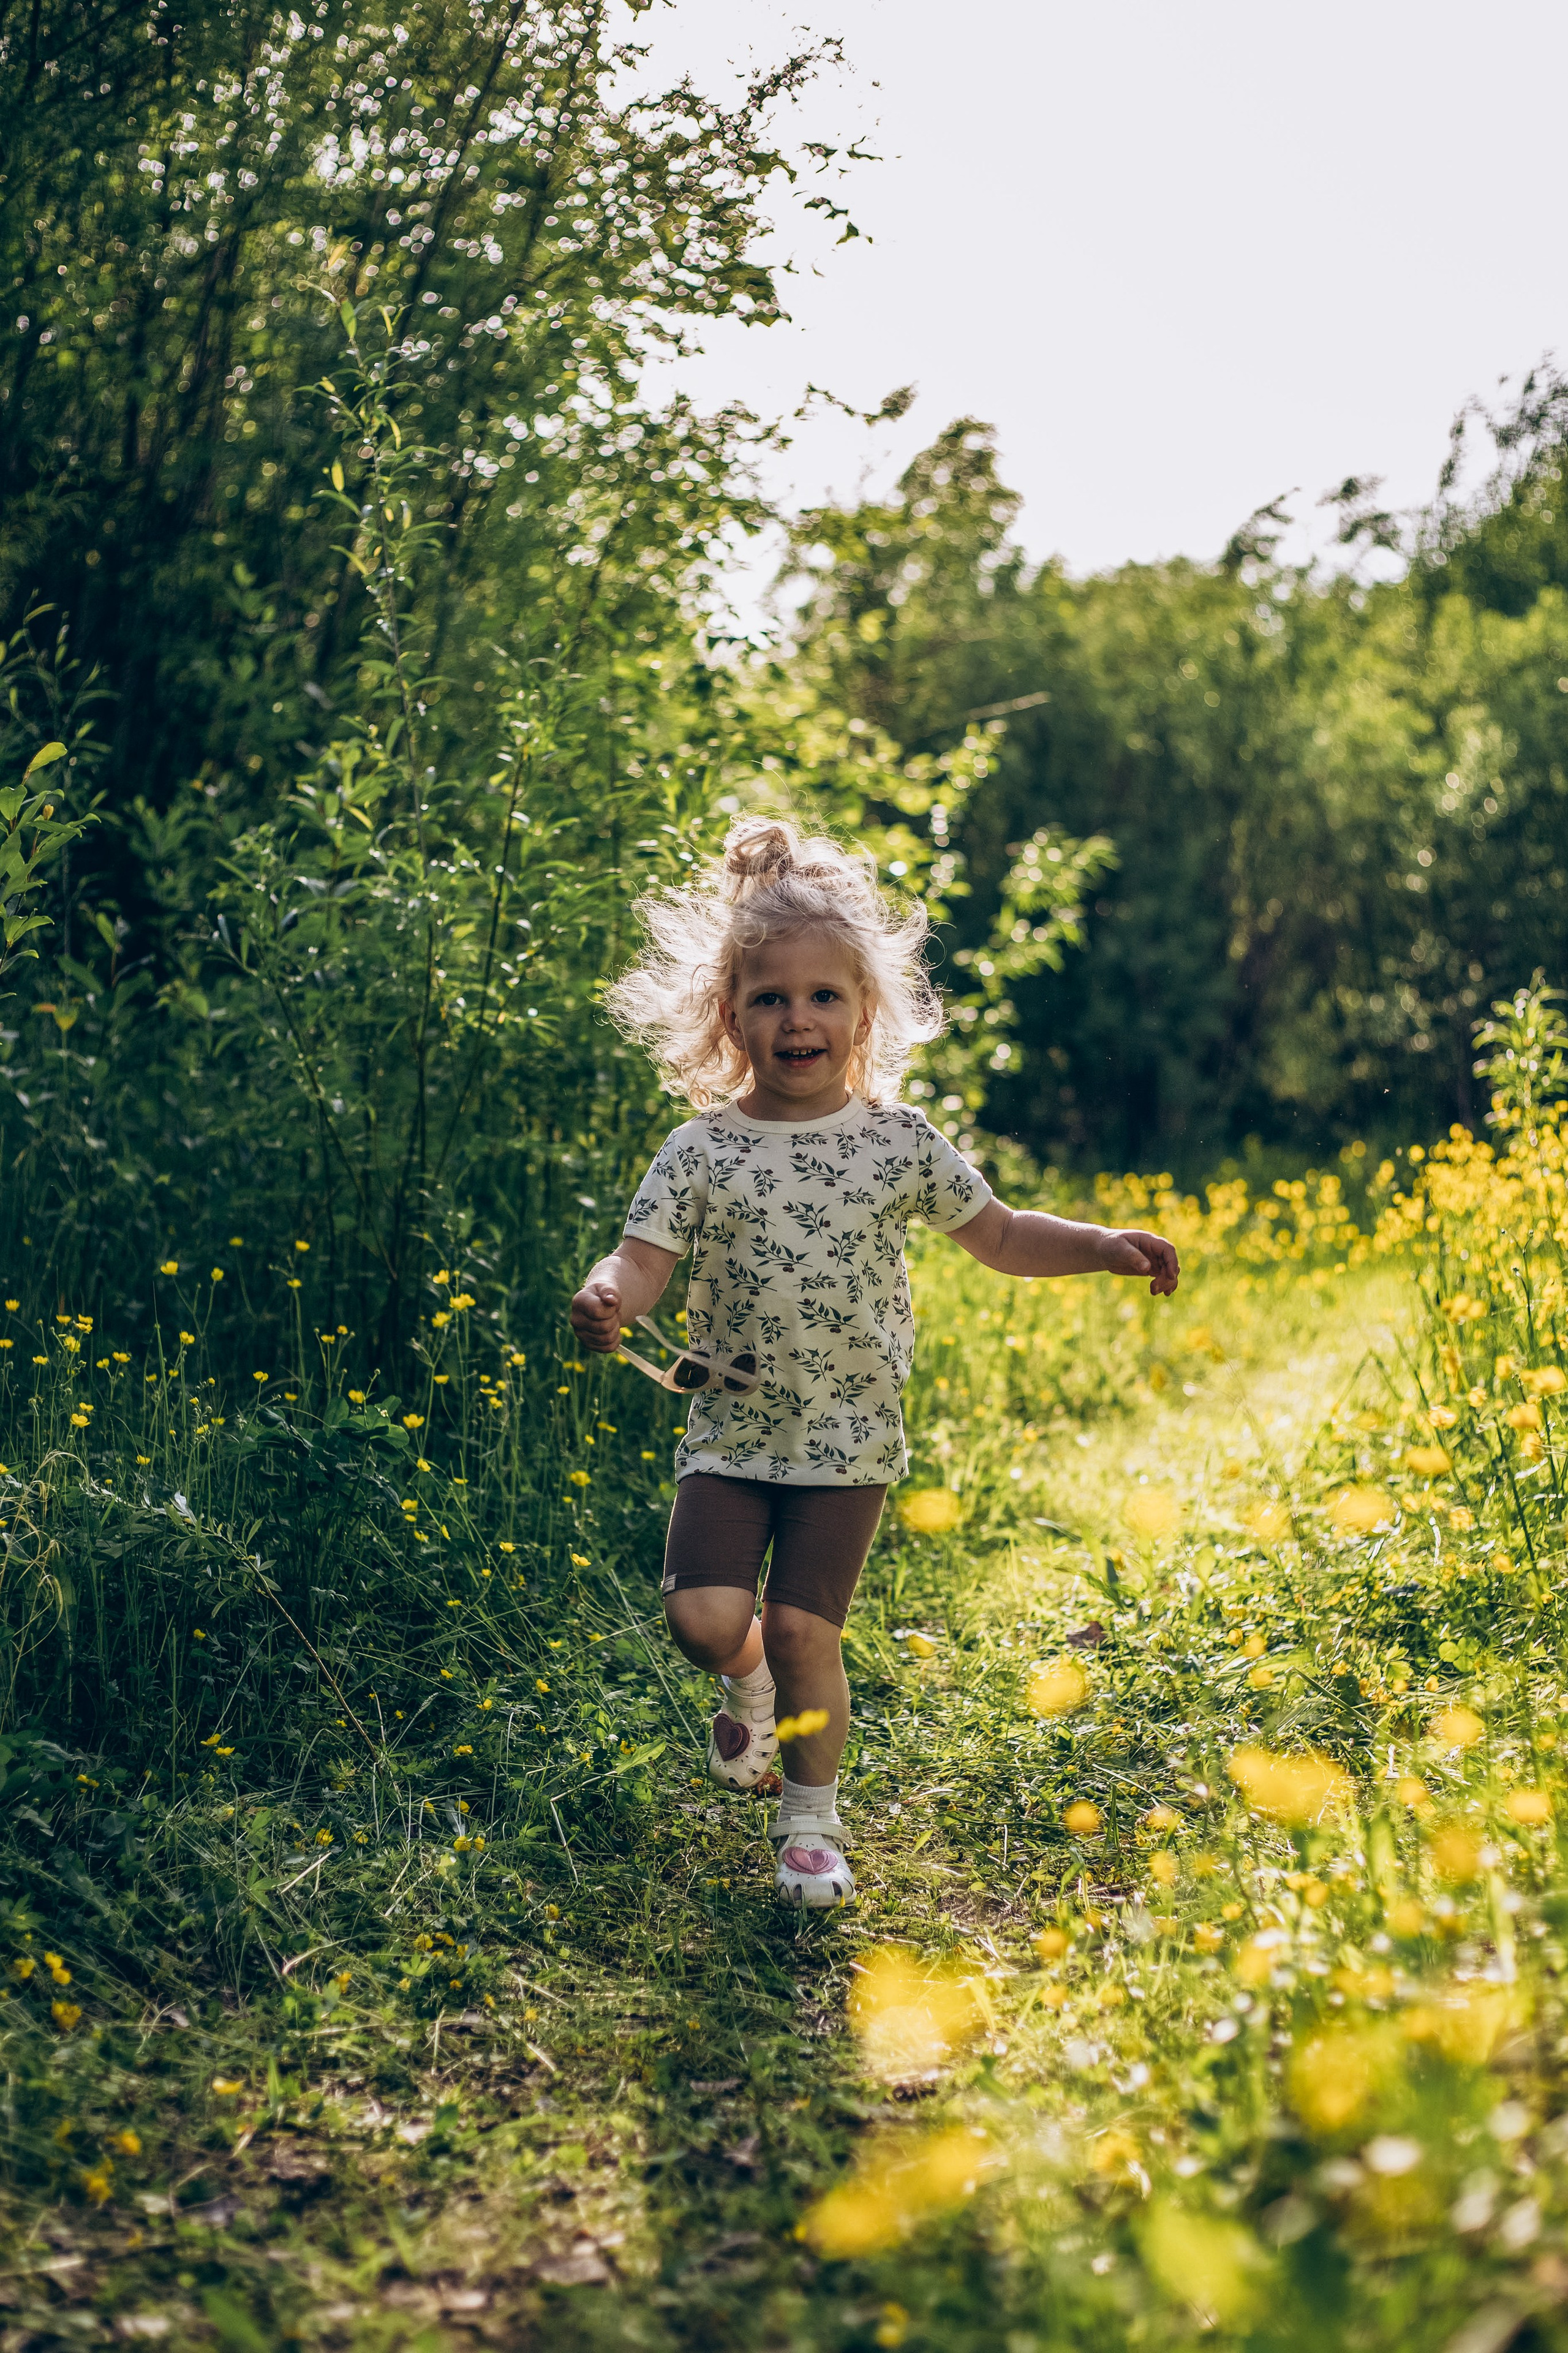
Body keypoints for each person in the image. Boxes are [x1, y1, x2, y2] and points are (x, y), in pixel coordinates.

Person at [569, 817, 1178, 1909]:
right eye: (768, 998)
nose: (795, 1018)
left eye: (821, 997)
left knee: (808, 1629)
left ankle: (810, 1822)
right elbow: (646, 1259)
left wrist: (1098, 1247)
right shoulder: (699, 1150)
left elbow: (996, 1234)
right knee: (706, 1620)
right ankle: (747, 1686)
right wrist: (611, 1291)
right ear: (729, 1017)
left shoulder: (898, 1144)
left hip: (848, 1437)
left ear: (864, 1012)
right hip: (735, 1429)